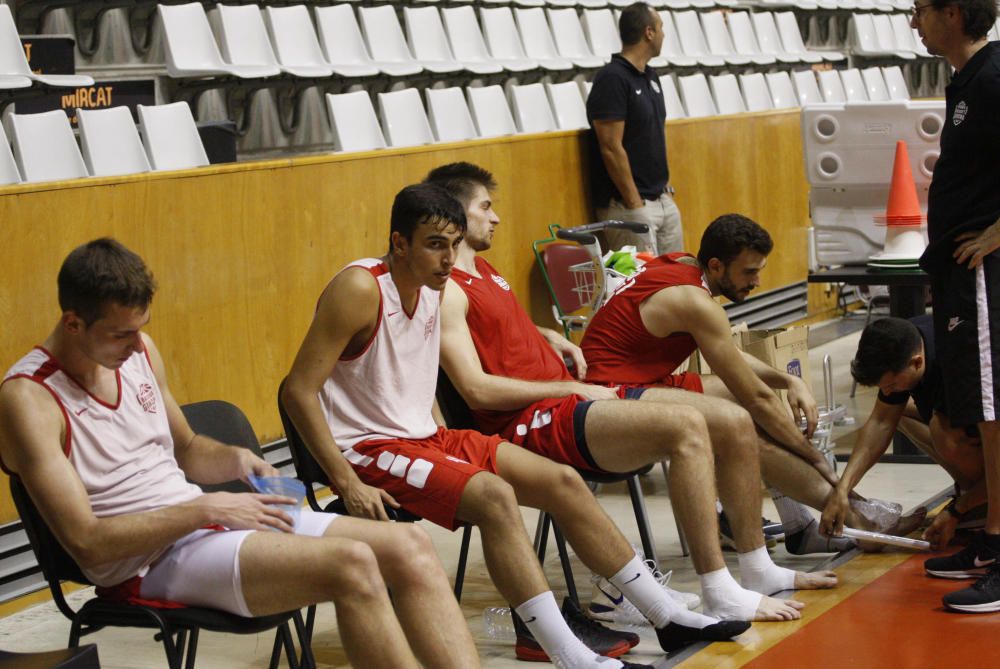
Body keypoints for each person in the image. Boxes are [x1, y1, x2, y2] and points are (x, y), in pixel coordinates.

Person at [282, 183, 749, 667]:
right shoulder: (361, 288)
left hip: (425, 437)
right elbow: (298, 389)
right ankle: (568, 653)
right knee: (495, 497)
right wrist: (346, 481)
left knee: (563, 483)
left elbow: (415, 381)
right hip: (369, 449)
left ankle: (663, 615)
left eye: (452, 245)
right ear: (399, 243)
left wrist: (445, 434)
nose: (446, 259)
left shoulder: (434, 289)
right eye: (433, 245)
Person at [0, 238, 480, 669]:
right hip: (143, 564)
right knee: (352, 564)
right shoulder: (30, 400)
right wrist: (204, 507)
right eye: (120, 335)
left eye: (139, 329)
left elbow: (187, 448)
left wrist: (234, 461)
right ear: (73, 323)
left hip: (203, 524)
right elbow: (88, 543)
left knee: (410, 548)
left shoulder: (140, 349)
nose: (135, 344)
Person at [426, 162, 839, 627]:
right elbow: (476, 389)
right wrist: (567, 384)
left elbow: (499, 332)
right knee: (687, 426)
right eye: (485, 207)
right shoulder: (447, 292)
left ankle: (758, 567)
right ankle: (719, 588)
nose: (495, 217)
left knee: (735, 417)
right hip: (533, 419)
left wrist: (546, 334)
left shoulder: (484, 271)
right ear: (454, 215)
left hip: (567, 401)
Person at [580, 215, 926, 547]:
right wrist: (817, 458)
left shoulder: (684, 264)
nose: (757, 282)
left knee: (754, 406)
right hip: (607, 400)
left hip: (640, 381)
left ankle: (802, 524)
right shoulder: (693, 301)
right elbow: (757, 398)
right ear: (716, 266)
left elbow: (731, 355)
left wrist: (788, 382)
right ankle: (856, 518)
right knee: (744, 429)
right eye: (749, 272)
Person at [912, 0, 1000, 612]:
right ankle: (991, 540)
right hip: (959, 272)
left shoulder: (993, 79)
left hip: (985, 271)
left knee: (995, 410)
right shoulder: (968, 81)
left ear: (954, 11)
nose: (914, 21)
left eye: (919, 9)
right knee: (983, 413)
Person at [821, 316, 985, 555]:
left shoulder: (961, 369)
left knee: (944, 432)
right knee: (897, 412)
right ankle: (976, 494)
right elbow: (880, 421)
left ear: (917, 362)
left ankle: (985, 504)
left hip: (989, 428)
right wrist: (842, 490)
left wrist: (958, 509)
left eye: (893, 384)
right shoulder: (907, 340)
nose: (888, 391)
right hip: (968, 420)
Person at [587, 2, 682, 255]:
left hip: (661, 198)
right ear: (648, 32)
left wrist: (665, 191)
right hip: (630, 205)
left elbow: (653, 137)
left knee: (676, 280)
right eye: (660, 27)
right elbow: (610, 146)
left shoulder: (650, 76)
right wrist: (634, 203)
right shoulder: (612, 78)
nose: (663, 34)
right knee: (641, 287)